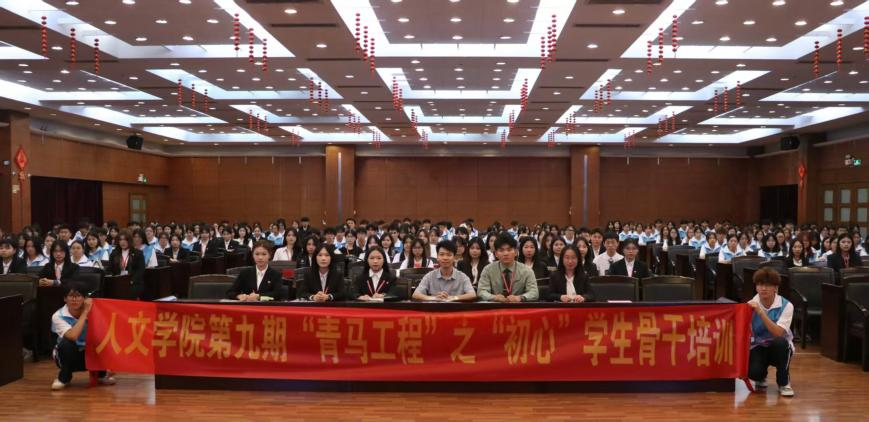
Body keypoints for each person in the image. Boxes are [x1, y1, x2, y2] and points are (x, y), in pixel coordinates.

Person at [50, 282, 115, 390]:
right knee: (66, 344)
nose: (74, 299)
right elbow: (73, 336)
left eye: (78, 296)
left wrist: (111, 363)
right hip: (67, 355)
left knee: (102, 340)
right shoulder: (58, 316)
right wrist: (85, 313)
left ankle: (101, 374)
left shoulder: (95, 311)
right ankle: (64, 378)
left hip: (90, 352)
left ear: (85, 298)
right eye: (71, 296)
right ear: (65, 299)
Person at [747, 268, 795, 397]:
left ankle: (784, 382)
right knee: (753, 373)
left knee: (781, 342)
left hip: (778, 347)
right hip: (758, 345)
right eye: (760, 284)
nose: (763, 288)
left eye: (768, 285)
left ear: (775, 287)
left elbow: (778, 333)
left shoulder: (787, 306)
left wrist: (761, 313)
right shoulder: (749, 305)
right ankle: (761, 376)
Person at [477, 233, 538, 302]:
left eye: (509, 250)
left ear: (516, 252)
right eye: (501, 250)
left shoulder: (526, 271)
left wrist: (520, 298)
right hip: (495, 306)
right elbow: (481, 292)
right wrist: (494, 297)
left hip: (518, 306)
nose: (505, 253)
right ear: (496, 254)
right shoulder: (488, 270)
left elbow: (534, 292)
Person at [412, 240, 476, 302]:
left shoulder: (462, 277)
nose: (445, 258)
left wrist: (454, 297)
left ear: (454, 257)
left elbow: (472, 294)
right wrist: (434, 298)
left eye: (449, 255)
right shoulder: (429, 276)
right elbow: (416, 294)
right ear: (437, 257)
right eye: (442, 254)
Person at [107, 230, 146, 299]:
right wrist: (115, 280)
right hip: (118, 282)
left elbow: (140, 270)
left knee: (129, 291)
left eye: (125, 240)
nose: (122, 242)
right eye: (120, 240)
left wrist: (131, 281)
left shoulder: (138, 253)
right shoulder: (114, 253)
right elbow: (110, 269)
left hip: (133, 283)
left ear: (130, 241)